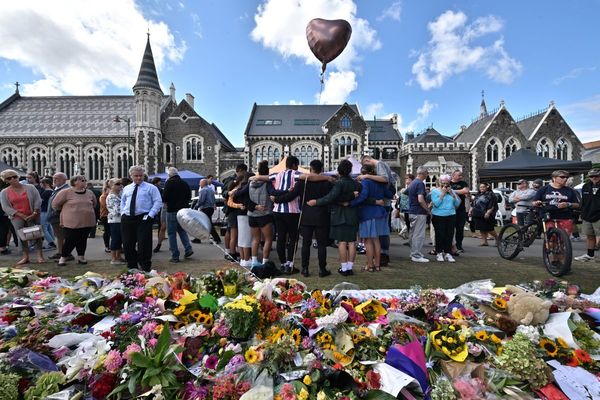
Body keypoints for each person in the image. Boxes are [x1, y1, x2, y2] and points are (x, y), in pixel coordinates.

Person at [274, 159, 332, 277]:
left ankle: (305, 269)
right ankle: (322, 269)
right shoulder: (327, 182)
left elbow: (291, 195)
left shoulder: (303, 182)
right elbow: (330, 198)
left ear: (310, 168)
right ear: (321, 169)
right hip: (321, 216)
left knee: (306, 243)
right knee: (321, 244)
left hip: (306, 215)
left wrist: (277, 200)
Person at [307, 159, 360, 276]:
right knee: (351, 242)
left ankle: (344, 268)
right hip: (353, 215)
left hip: (340, 215)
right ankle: (350, 268)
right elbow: (359, 198)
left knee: (342, 242)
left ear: (339, 171)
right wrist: (350, 198)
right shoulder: (356, 183)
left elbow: (331, 197)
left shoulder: (339, 183)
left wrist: (315, 202)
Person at [120, 166, 163, 271]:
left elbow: (158, 202)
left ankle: (145, 265)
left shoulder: (151, 188)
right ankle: (132, 265)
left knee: (144, 243)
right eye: (136, 176)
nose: (139, 178)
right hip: (128, 218)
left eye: (141, 176)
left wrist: (150, 215)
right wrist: (122, 213)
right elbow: (123, 201)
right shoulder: (127, 188)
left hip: (143, 218)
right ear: (131, 176)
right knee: (127, 243)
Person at [351, 164, 392, 272]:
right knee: (376, 240)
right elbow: (389, 194)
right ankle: (377, 265)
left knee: (368, 241)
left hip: (368, 213)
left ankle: (370, 265)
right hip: (379, 213)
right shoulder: (380, 182)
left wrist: (352, 202)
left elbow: (363, 197)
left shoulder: (365, 182)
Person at [0, 169, 45, 265]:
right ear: (6, 180)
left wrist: (35, 212)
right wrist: (19, 214)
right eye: (9, 178)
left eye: (14, 176)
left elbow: (38, 200)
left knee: (37, 234)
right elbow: (5, 206)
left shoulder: (30, 187)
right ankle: (25, 257)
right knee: (22, 237)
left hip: (33, 214)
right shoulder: (4, 192)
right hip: (17, 217)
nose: (13, 179)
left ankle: (39, 255)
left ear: (18, 177)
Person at [52, 174, 97, 266]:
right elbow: (55, 204)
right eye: (82, 180)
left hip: (87, 221)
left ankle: (81, 257)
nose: (84, 182)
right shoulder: (66, 192)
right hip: (71, 222)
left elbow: (94, 203)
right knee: (70, 240)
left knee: (82, 239)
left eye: (84, 180)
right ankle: (63, 257)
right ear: (74, 182)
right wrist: (66, 211)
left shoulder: (89, 193)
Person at [360, 155, 395, 267]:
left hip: (372, 211)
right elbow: (389, 191)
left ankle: (371, 265)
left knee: (369, 240)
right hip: (382, 208)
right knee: (377, 238)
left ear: (368, 160)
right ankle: (379, 262)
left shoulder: (379, 165)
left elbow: (385, 179)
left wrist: (366, 177)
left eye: (365, 163)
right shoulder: (381, 169)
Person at [533, 170, 580, 236]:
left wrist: (568, 204)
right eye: (562, 177)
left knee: (564, 240)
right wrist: (537, 202)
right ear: (554, 178)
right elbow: (534, 202)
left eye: (567, 177)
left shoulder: (570, 191)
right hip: (548, 217)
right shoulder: (543, 189)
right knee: (551, 239)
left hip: (565, 217)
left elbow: (577, 205)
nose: (565, 179)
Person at [162, 167, 193, 263]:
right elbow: (189, 196)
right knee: (182, 230)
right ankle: (188, 249)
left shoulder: (169, 183)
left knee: (171, 233)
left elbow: (164, 197)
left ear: (169, 175)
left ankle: (175, 255)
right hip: (183, 211)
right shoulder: (184, 183)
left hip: (172, 210)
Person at [247, 161, 274, 267]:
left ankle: (254, 261)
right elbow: (273, 193)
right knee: (268, 239)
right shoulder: (268, 183)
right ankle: (265, 262)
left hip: (252, 214)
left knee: (255, 239)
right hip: (265, 213)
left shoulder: (250, 183)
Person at [431, 175, 461, 262]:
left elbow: (457, 204)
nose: (445, 186)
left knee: (449, 235)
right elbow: (436, 203)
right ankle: (439, 252)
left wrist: (452, 194)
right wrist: (443, 194)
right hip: (438, 215)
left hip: (451, 214)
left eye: (447, 184)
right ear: (439, 183)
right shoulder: (435, 192)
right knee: (440, 234)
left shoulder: (452, 192)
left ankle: (448, 253)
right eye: (443, 184)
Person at [575, 169, 600, 262]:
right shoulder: (586, 186)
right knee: (589, 236)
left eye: (596, 176)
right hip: (587, 215)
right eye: (592, 176)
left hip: (598, 215)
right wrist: (581, 212)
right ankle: (590, 255)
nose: (594, 178)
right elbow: (583, 201)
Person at [407, 167, 430, 262]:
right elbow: (420, 199)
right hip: (419, 211)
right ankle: (416, 255)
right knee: (418, 234)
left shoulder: (412, 183)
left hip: (412, 211)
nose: (427, 175)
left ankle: (413, 252)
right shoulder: (420, 183)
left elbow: (405, 194)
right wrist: (428, 210)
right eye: (427, 173)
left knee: (413, 233)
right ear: (423, 173)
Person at [47, 172, 71, 260]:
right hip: (54, 217)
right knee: (59, 236)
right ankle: (60, 252)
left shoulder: (66, 190)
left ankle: (66, 254)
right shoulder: (57, 188)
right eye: (54, 178)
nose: (54, 179)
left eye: (57, 178)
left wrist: (57, 211)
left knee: (62, 236)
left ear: (64, 180)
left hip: (59, 217)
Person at [106, 178, 125, 265]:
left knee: (120, 239)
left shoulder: (120, 194)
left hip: (121, 220)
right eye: (117, 184)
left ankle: (119, 256)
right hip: (115, 220)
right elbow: (116, 210)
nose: (120, 185)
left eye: (120, 183)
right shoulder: (111, 197)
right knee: (115, 239)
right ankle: (113, 258)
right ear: (111, 186)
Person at [450, 170, 469, 253]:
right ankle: (450, 245)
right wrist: (459, 192)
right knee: (450, 228)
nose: (461, 177)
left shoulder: (463, 183)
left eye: (461, 175)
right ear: (453, 175)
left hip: (460, 209)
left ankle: (459, 245)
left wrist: (452, 191)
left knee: (460, 228)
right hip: (450, 209)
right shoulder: (448, 183)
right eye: (459, 175)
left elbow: (465, 191)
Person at [196, 178, 221, 243]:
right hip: (210, 208)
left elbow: (201, 200)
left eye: (200, 183)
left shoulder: (203, 190)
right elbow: (213, 199)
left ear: (203, 183)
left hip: (205, 208)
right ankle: (198, 238)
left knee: (206, 223)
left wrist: (196, 206)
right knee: (203, 223)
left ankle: (217, 238)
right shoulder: (211, 190)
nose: (199, 184)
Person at [151, 177, 168, 251]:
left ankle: (160, 239)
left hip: (155, 208)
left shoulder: (153, 187)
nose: (160, 183)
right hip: (159, 208)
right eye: (159, 181)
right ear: (157, 182)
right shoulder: (157, 188)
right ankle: (159, 239)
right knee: (161, 225)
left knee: (161, 225)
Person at [39, 177, 56, 249]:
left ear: (45, 184)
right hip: (49, 211)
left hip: (44, 211)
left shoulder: (46, 192)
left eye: (41, 183)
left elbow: (40, 202)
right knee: (48, 227)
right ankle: (52, 241)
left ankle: (51, 243)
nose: (40, 184)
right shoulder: (52, 191)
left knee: (43, 228)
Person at [98, 180, 111, 253]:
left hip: (111, 215)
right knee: (107, 231)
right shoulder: (103, 197)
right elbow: (105, 206)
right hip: (105, 215)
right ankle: (107, 246)